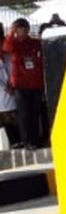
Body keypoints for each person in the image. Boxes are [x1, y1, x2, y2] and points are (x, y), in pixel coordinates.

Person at [3, 18, 44, 149]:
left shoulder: (34, 43)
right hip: (20, 86)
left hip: (35, 84)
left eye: (26, 27)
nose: (24, 30)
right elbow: (6, 47)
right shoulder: (13, 43)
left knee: (35, 113)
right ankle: (27, 142)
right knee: (24, 114)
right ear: (16, 30)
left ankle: (35, 140)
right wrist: (11, 31)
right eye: (20, 28)